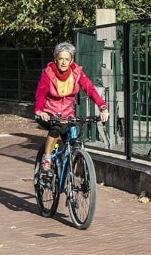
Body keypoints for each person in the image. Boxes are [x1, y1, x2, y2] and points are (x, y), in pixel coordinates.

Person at [34, 42, 109, 174]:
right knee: (56, 129)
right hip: (49, 113)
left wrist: (102, 106)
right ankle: (46, 159)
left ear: (71, 61)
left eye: (67, 59)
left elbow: (90, 89)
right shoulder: (48, 73)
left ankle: (71, 179)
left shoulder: (76, 73)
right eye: (61, 58)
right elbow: (41, 93)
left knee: (73, 144)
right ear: (56, 59)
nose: (63, 62)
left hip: (67, 114)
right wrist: (39, 110)